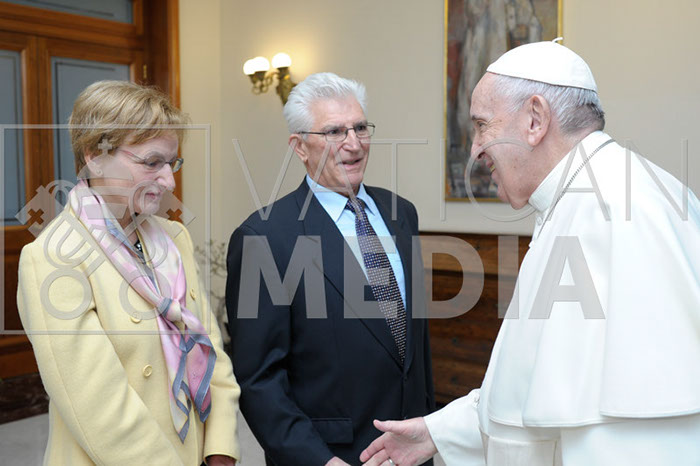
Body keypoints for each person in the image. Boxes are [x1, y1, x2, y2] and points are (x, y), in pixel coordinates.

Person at [360, 41, 700, 465]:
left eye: (482, 125)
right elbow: (539, 389)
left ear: (535, 120)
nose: (474, 149)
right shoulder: (578, 198)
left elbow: (643, 430)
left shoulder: (620, 207)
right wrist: (437, 432)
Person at [16, 80, 240, 465]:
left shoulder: (175, 238)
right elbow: (99, 407)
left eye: (172, 163)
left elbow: (211, 348)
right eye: (152, 162)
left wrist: (221, 448)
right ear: (94, 156)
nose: (169, 180)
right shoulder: (53, 257)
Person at [226, 72, 435, 465]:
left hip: (412, 448)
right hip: (332, 454)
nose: (353, 144)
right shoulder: (264, 236)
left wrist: (429, 426)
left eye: (360, 127)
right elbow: (259, 379)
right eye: (335, 132)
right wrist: (319, 461)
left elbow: (412, 344)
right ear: (299, 147)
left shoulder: (401, 213)